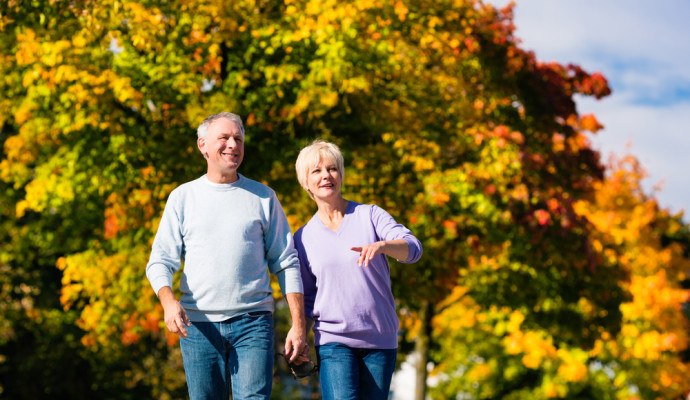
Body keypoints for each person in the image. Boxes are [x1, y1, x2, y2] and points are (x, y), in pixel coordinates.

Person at [146, 112, 309, 400]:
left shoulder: (263, 197)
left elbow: (286, 262)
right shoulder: (183, 198)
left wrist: (298, 326)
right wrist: (168, 302)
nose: (233, 145)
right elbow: (160, 260)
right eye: (224, 138)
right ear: (203, 145)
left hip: (253, 322)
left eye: (238, 139)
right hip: (198, 326)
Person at [293, 140, 423, 400]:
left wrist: (384, 245)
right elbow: (307, 298)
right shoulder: (303, 238)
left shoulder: (370, 216)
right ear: (305, 182)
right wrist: (300, 336)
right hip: (333, 340)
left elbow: (413, 249)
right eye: (316, 171)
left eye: (332, 168)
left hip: (380, 341)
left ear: (341, 175)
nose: (326, 175)